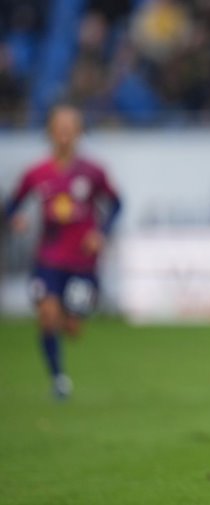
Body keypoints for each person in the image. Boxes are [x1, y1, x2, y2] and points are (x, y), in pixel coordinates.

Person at [3, 104, 122, 400]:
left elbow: (117, 204)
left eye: (71, 128)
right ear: (51, 132)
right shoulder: (36, 173)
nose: (65, 134)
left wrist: (101, 233)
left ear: (80, 133)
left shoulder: (93, 172)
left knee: (72, 327)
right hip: (49, 257)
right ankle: (58, 380)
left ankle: (74, 318)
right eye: (60, 127)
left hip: (83, 261)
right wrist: (14, 218)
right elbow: (11, 205)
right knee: (47, 314)